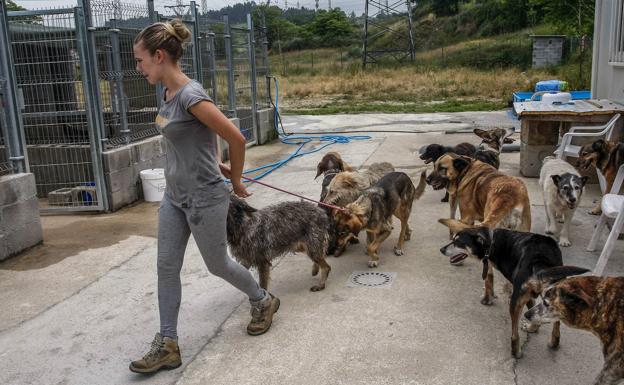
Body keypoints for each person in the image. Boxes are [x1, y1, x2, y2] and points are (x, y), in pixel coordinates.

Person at [129, 20, 279, 374]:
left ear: (160, 55)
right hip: (175, 198)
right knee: (166, 267)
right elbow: (202, 136)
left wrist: (237, 179)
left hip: (205, 198)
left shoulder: (190, 95)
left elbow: (236, 137)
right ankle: (167, 344)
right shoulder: (166, 94)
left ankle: (263, 300)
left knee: (217, 265)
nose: (138, 68)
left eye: (140, 61)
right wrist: (214, 158)